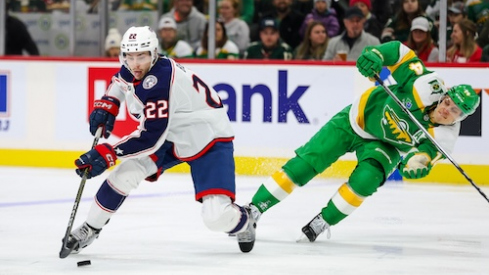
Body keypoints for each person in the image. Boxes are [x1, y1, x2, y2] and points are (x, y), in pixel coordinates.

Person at [244, 40, 480, 243]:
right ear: (445, 95)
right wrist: (377, 55)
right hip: (356, 120)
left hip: (388, 146)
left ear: (463, 117)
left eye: (456, 111)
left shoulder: (445, 137)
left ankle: (323, 221)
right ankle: (255, 208)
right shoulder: (426, 84)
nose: (447, 111)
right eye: (448, 102)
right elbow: (400, 51)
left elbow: (422, 157)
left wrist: (414, 165)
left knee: (366, 181)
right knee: (305, 164)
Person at [64, 26, 256, 255]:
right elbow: (120, 81)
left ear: (154, 53)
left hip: (207, 138)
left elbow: (150, 138)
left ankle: (246, 220)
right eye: (130, 56)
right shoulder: (135, 67)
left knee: (215, 217)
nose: (135, 64)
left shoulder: (160, 81)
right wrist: (110, 102)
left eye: (141, 56)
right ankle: (90, 228)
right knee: (126, 174)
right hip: (172, 135)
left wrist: (108, 153)